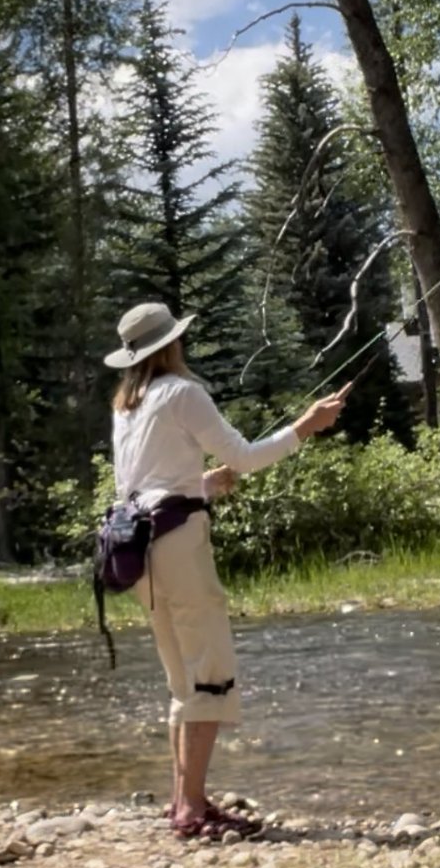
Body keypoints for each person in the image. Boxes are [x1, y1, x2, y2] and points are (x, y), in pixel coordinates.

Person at [104, 302, 350, 840]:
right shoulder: (183, 392)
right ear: (170, 345)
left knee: (182, 679)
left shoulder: (127, 403)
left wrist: (203, 484)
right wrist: (307, 426)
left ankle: (183, 803)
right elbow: (245, 457)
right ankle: (192, 809)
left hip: (138, 549)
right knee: (210, 674)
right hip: (177, 546)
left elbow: (146, 482)